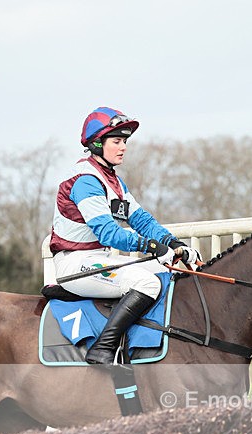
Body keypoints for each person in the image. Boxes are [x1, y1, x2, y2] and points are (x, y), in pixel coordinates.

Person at [50, 106, 200, 364]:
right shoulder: (86, 180)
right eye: (117, 141)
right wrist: (151, 247)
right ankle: (102, 348)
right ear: (97, 144)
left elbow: (142, 221)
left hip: (100, 260)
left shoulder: (114, 182)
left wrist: (173, 243)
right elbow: (108, 233)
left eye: (125, 142)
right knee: (147, 284)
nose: (123, 147)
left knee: (169, 272)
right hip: (75, 264)